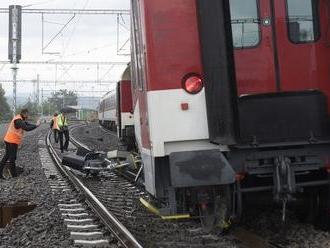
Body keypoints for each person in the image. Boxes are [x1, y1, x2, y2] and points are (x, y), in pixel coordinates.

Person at [0, 109, 40, 178]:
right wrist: (36, 126)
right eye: (28, 114)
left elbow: (27, 124)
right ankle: (14, 175)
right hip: (11, 141)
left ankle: (1, 172)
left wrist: (35, 125)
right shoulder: (18, 120)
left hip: (10, 140)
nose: (28, 116)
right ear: (24, 113)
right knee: (12, 158)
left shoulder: (20, 118)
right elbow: (26, 128)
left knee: (7, 156)